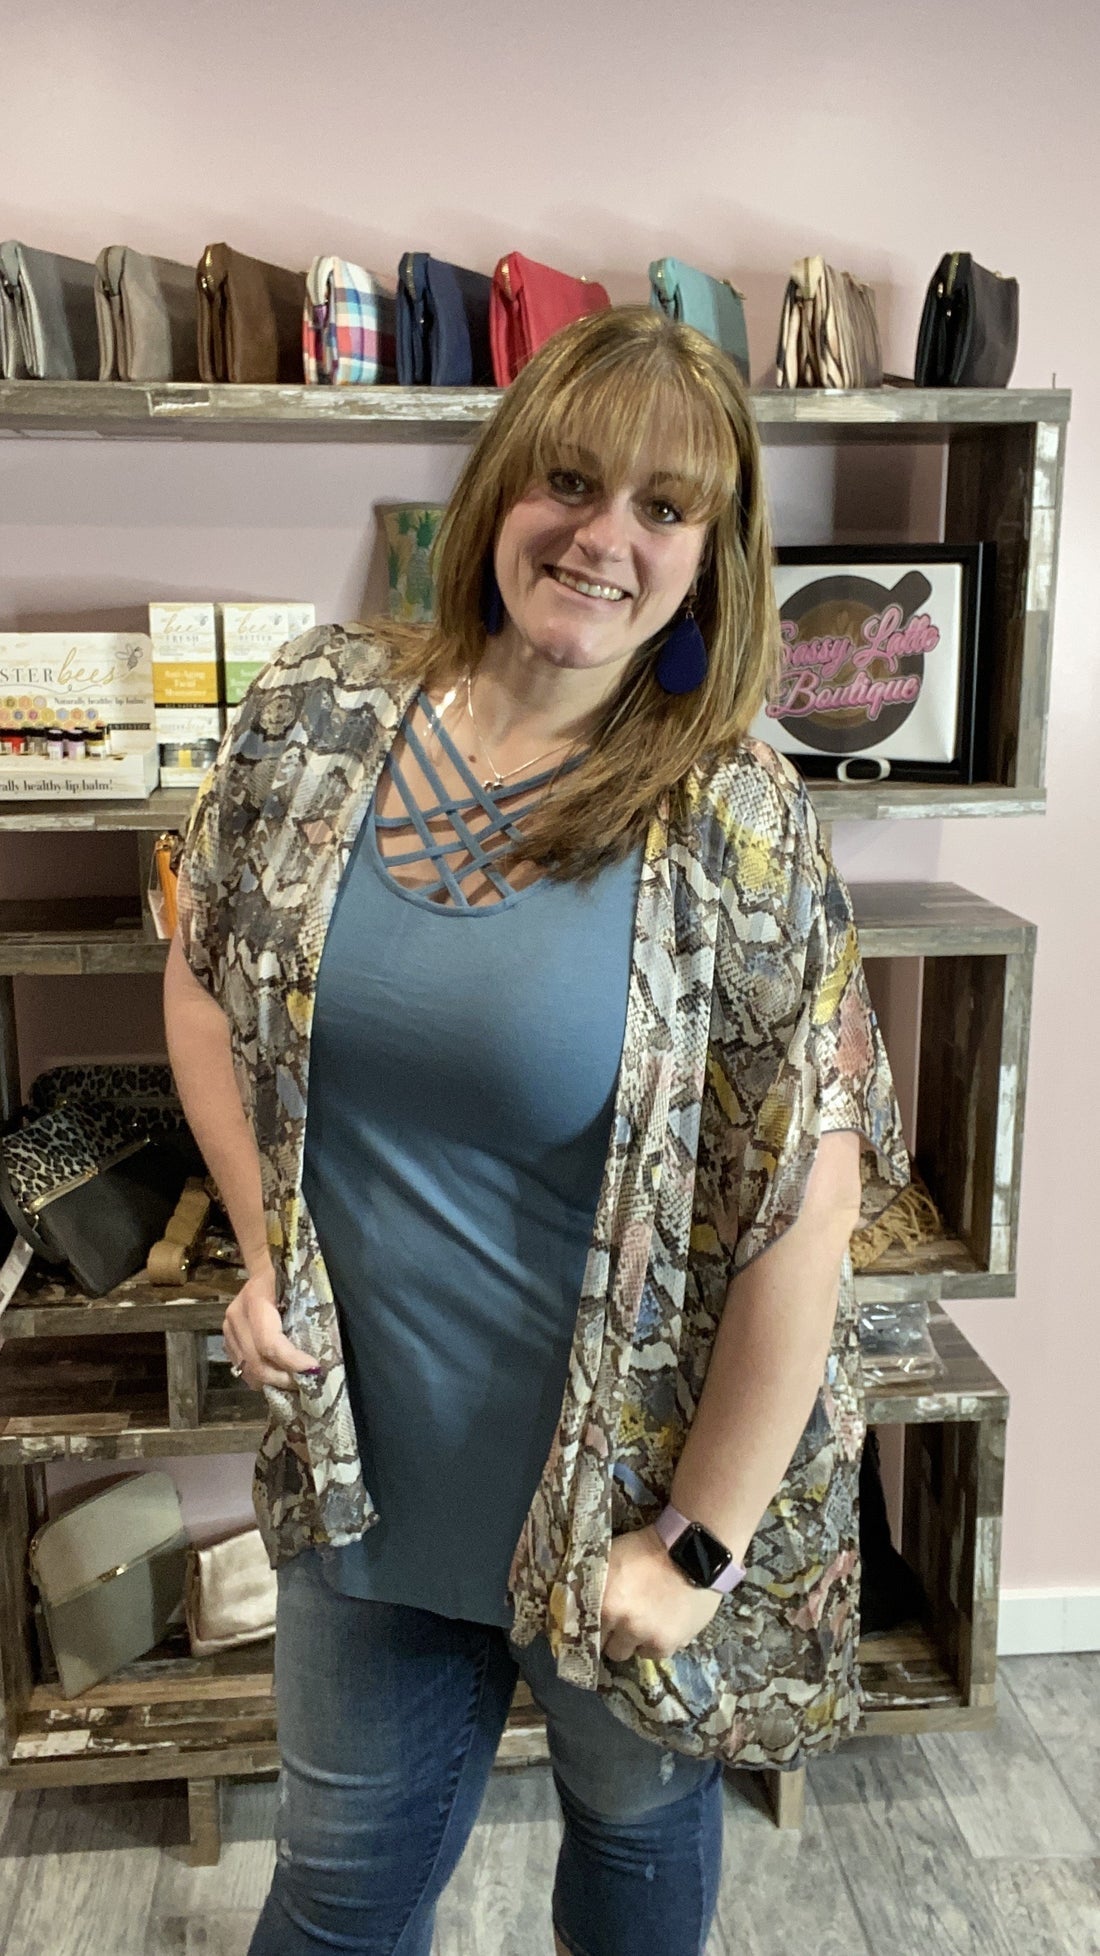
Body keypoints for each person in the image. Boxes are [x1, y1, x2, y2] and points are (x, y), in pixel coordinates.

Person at [164, 305, 909, 1956]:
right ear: (501, 484)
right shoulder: (314, 713)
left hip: (622, 1498)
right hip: (364, 1476)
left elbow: (803, 1213)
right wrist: (263, 1245)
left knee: (632, 1860)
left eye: (664, 506)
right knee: (336, 1904)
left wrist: (695, 1547)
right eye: (570, 481)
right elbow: (204, 975)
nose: (602, 537)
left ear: (708, 559)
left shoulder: (737, 826)